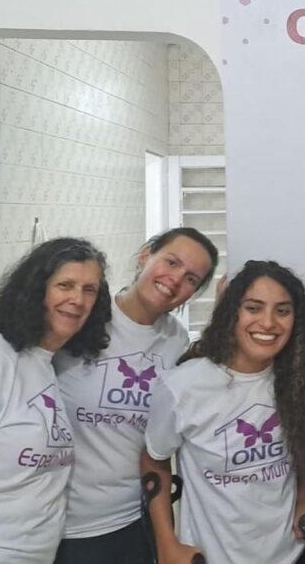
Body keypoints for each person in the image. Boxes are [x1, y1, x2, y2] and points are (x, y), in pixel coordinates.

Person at [141, 260, 305, 564]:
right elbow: (153, 461)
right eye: (253, 308)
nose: (268, 323)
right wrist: (166, 542)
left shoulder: (298, 378)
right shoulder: (183, 386)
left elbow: (300, 441)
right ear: (232, 313)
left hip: (292, 553)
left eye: (282, 311)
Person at [54, 227, 218, 564]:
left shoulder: (176, 341)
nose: (175, 279)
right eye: (171, 262)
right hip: (63, 524)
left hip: (135, 520)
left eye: (191, 278)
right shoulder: (83, 318)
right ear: (146, 255)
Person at [0, 238, 112, 563]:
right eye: (65, 285)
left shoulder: (46, 362)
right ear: (36, 289)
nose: (77, 299)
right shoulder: (0, 356)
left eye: (89, 290)